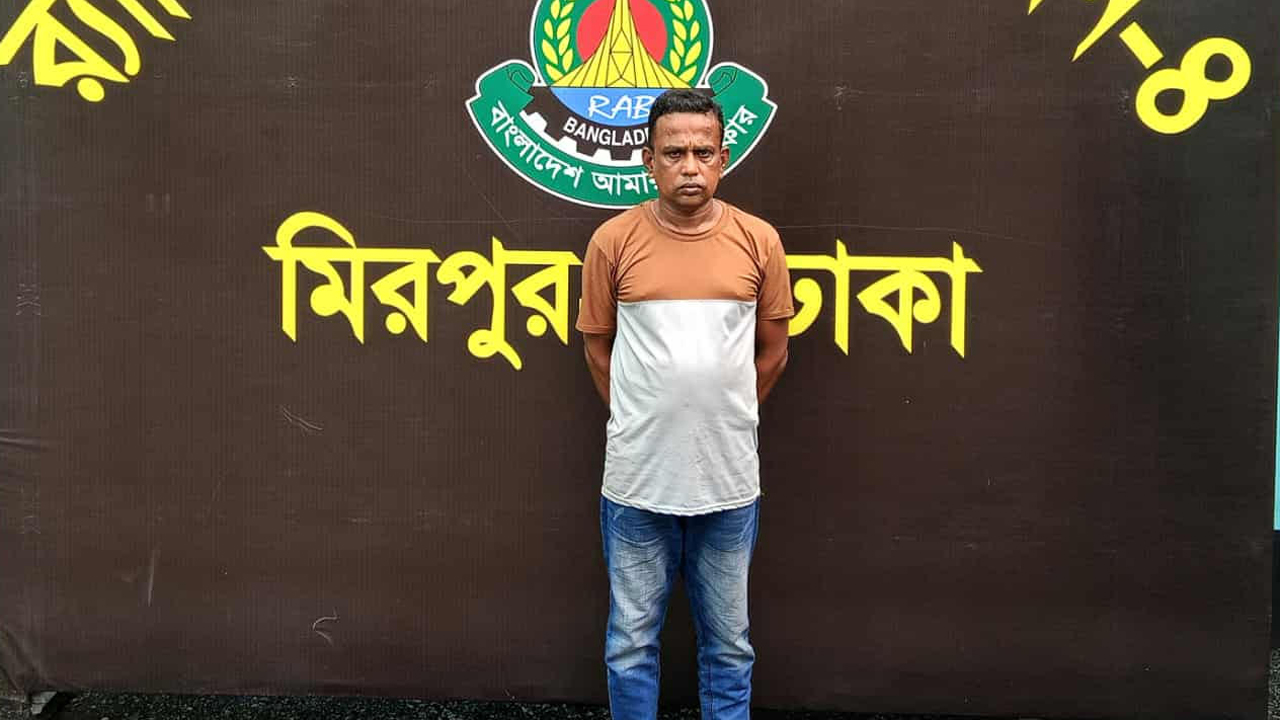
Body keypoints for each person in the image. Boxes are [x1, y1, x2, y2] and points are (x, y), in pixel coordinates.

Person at [576, 89, 794, 720]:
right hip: (636, 483)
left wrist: (728, 418)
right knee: (629, 645)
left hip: (728, 483)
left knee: (729, 646)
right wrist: (640, 421)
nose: (690, 167)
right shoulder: (612, 241)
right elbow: (597, 349)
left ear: (724, 158)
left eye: (703, 152)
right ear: (649, 161)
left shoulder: (759, 241)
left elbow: (775, 352)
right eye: (674, 153)